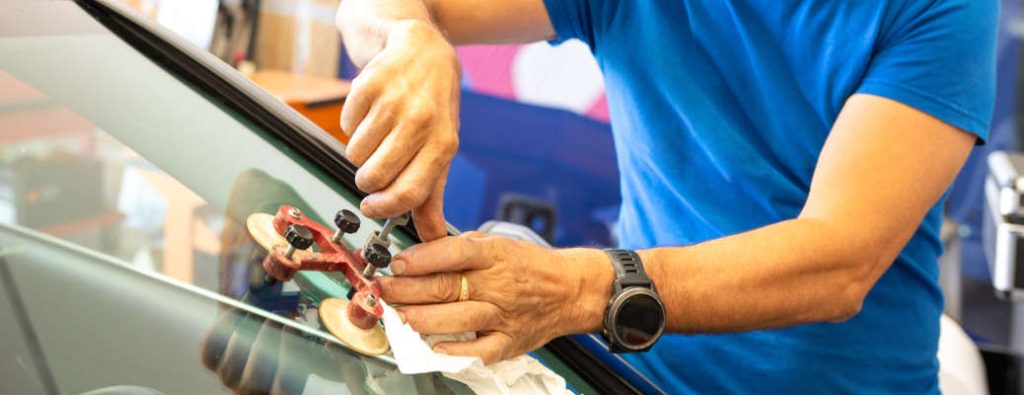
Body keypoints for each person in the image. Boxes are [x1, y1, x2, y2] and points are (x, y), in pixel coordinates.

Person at [335, 0, 997, 392]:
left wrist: (577, 289)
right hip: (635, 373)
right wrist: (409, 40)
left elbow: (839, 260)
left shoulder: (942, 9)